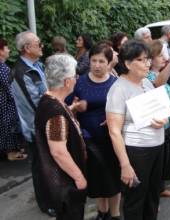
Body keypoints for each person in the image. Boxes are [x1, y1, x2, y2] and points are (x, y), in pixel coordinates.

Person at [106, 40, 167, 220]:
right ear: (127, 63)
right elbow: (114, 131)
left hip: (157, 147)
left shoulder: (147, 83)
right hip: (137, 152)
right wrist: (125, 165)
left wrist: (161, 120)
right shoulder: (118, 89)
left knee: (152, 195)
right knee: (135, 200)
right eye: (141, 60)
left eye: (148, 59)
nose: (147, 63)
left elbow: (158, 111)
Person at [71, 44, 121, 220]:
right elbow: (67, 109)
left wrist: (115, 117)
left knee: (114, 178)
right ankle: (102, 212)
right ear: (89, 61)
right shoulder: (80, 82)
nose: (97, 65)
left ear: (109, 63)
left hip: (112, 139)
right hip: (89, 140)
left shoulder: (116, 83)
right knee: (98, 179)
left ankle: (115, 214)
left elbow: (126, 108)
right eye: (94, 60)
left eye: (102, 61)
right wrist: (77, 107)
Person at [35, 54, 87, 220]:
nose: (76, 79)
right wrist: (79, 177)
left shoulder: (49, 100)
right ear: (67, 82)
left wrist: (72, 109)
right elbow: (58, 151)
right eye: (75, 77)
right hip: (65, 183)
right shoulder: (55, 112)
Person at [10, 31, 53, 216]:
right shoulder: (21, 72)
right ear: (27, 48)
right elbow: (37, 104)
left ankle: (50, 198)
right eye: (38, 43)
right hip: (35, 129)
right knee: (40, 166)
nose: (42, 46)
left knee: (47, 165)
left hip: (43, 125)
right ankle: (45, 204)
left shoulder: (35, 65)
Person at [147, 40, 170, 198]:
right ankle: (153, 194)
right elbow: (159, 84)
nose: (164, 58)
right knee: (156, 161)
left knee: (163, 159)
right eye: (159, 55)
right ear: (151, 59)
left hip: (166, 124)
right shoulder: (150, 75)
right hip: (157, 125)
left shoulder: (158, 73)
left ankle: (160, 188)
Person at [0, 38, 27, 161]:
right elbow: (9, 87)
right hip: (6, 102)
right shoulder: (3, 68)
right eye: (6, 48)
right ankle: (11, 152)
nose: (9, 50)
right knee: (9, 125)